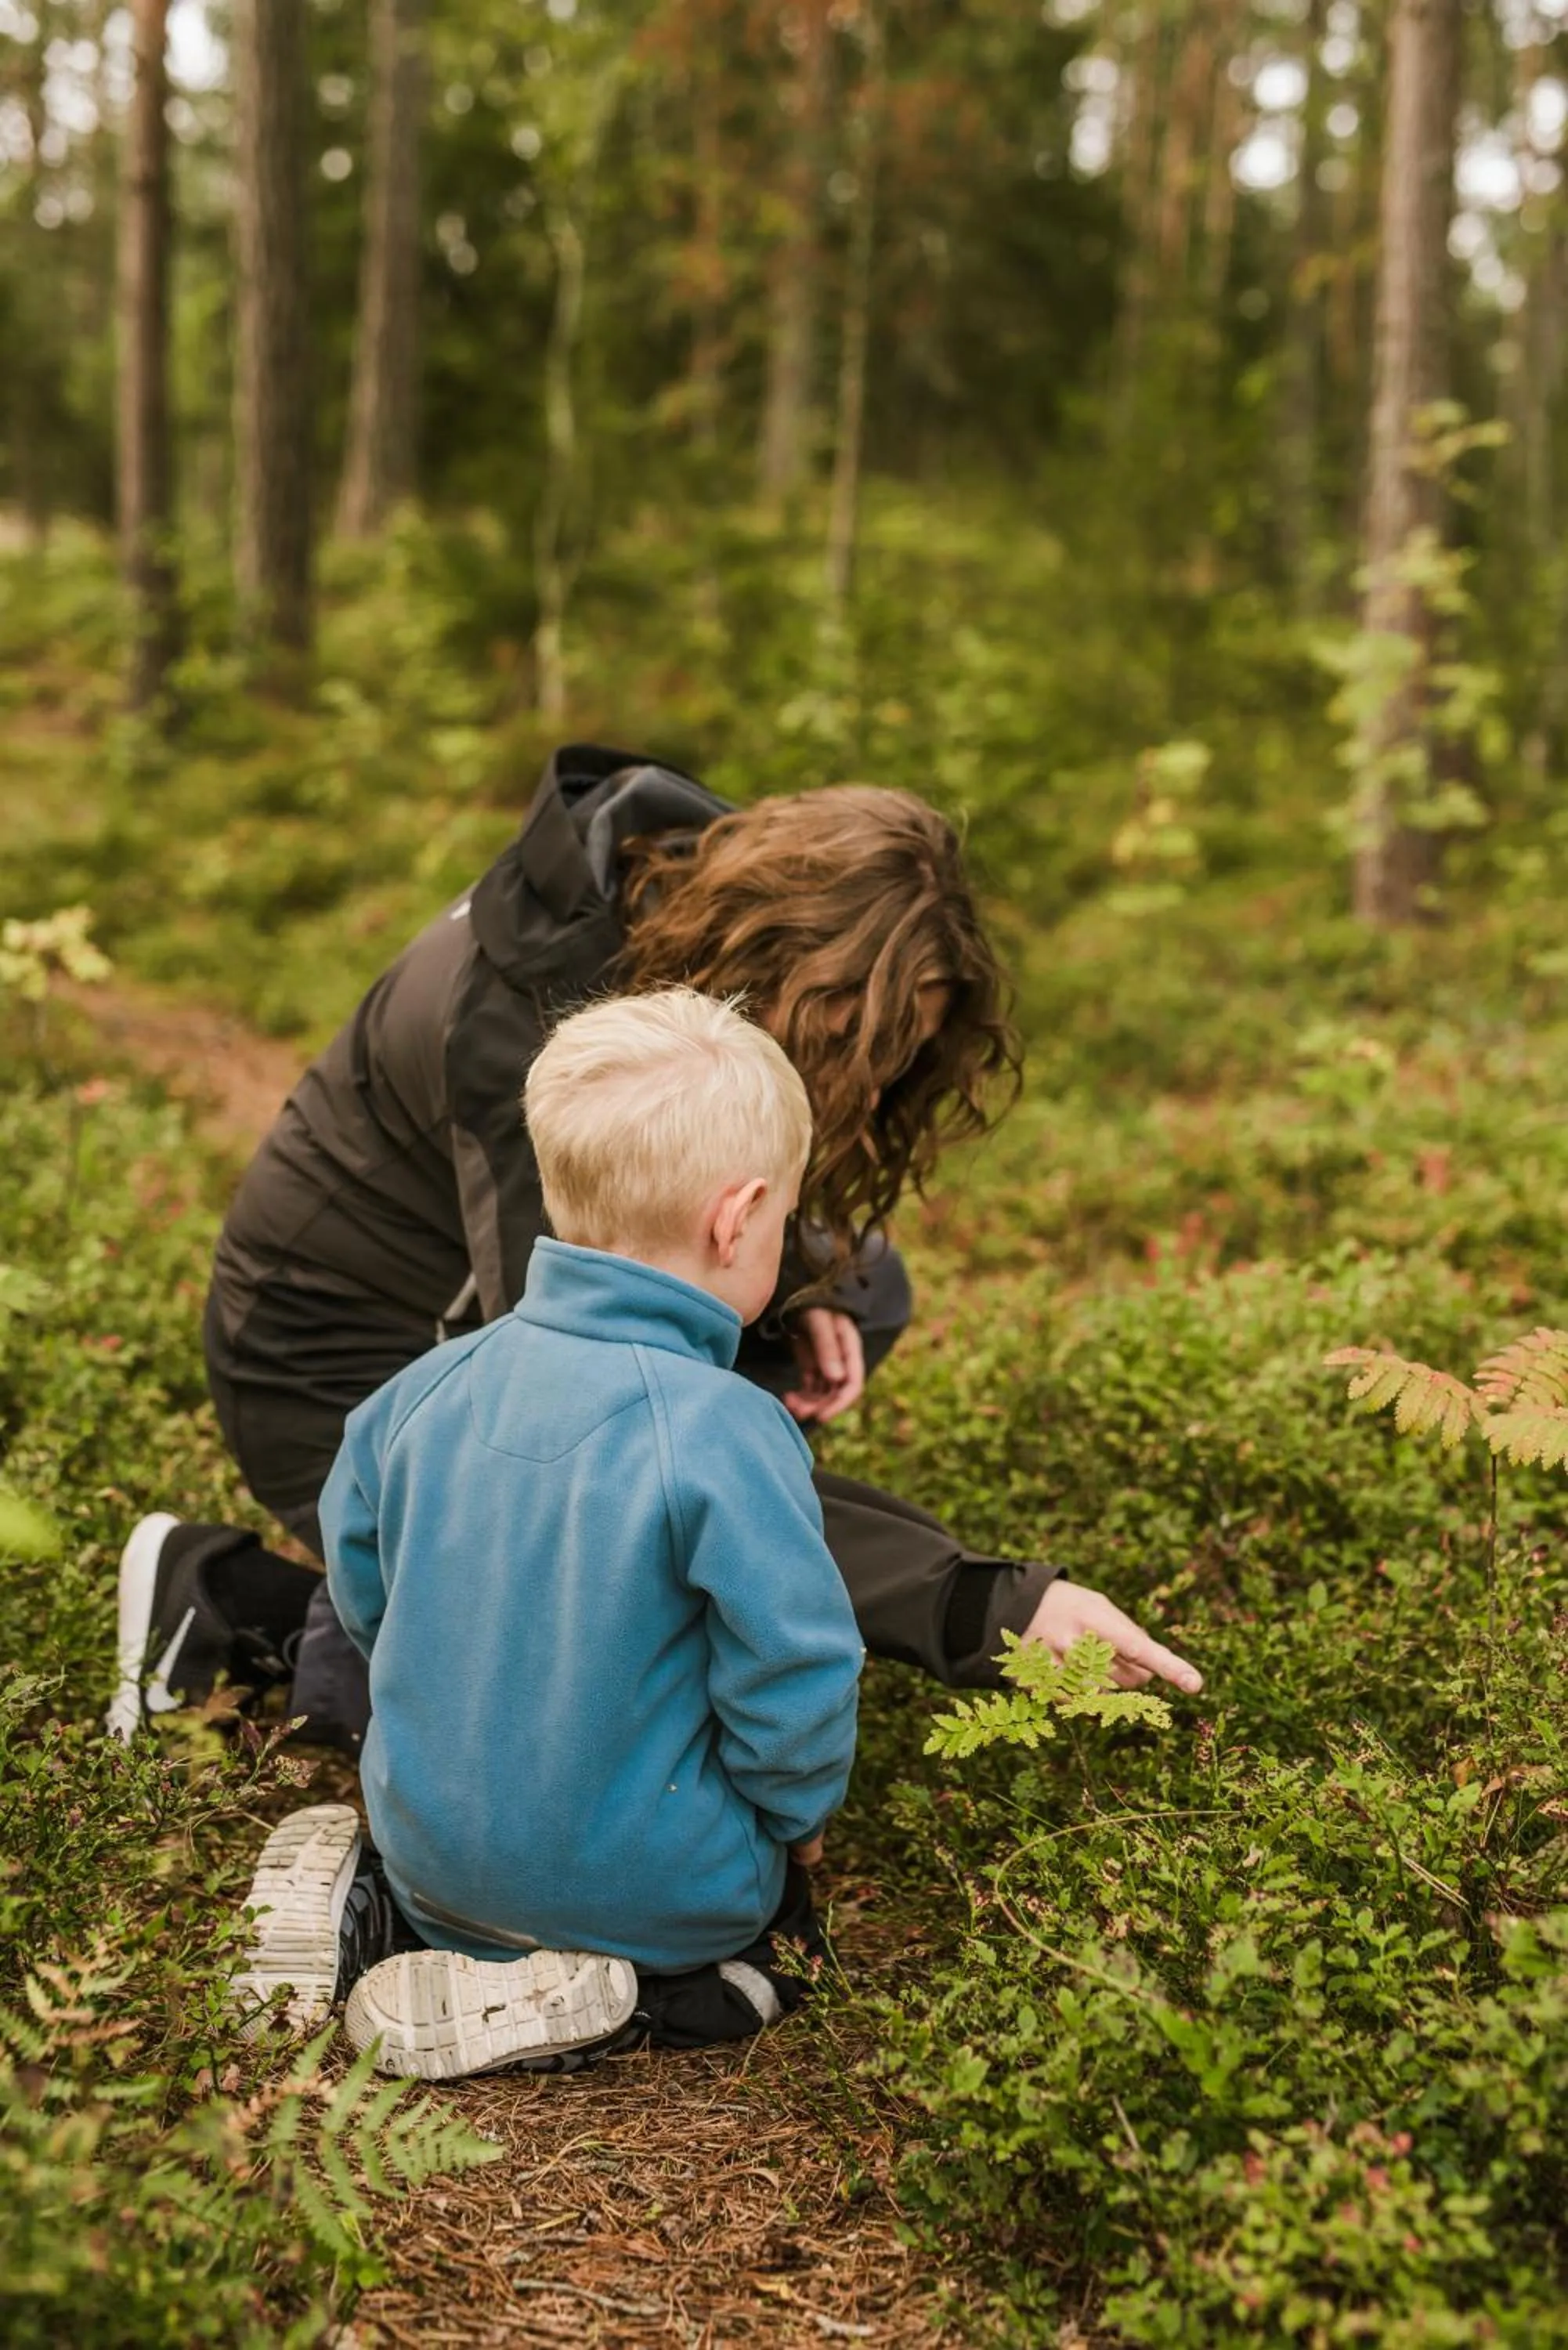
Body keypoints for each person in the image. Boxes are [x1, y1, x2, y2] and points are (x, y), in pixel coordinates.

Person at [107, 743, 1200, 1752]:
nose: (869, 1094)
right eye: (847, 1046)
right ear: (772, 965)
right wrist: (983, 1602)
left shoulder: (676, 915)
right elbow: (597, 1419)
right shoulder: (532, 1032)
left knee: (863, 1285)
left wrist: (804, 1273)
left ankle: (621, 1584)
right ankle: (239, 1611)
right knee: (572, 1645)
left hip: (470, 1313)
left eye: (896, 1058)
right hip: (327, 1372)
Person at [235, 990, 863, 2077]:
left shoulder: (422, 1391)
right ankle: (631, 2000)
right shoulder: (726, 1428)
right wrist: (795, 1821)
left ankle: (380, 1919)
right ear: (737, 1219)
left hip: (433, 1854)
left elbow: (361, 1585)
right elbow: (795, 1666)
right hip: (663, 1886)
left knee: (465, 1872)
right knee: (782, 1960)